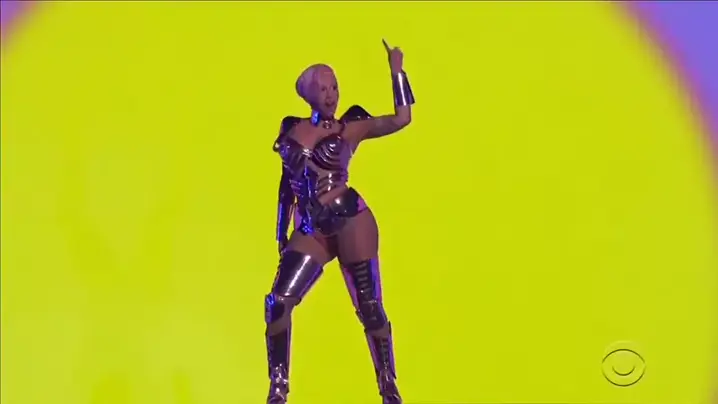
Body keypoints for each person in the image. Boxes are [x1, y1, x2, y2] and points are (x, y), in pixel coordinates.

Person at [264, 39, 415, 404]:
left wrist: (397, 71)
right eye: (324, 89)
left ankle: (388, 382)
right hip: (310, 226)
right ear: (308, 94)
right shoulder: (291, 130)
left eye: (334, 87)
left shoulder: (350, 127)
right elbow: (287, 184)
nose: (331, 95)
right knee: (278, 303)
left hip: (350, 219)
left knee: (370, 307)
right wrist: (281, 230)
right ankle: (278, 386)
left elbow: (401, 118)